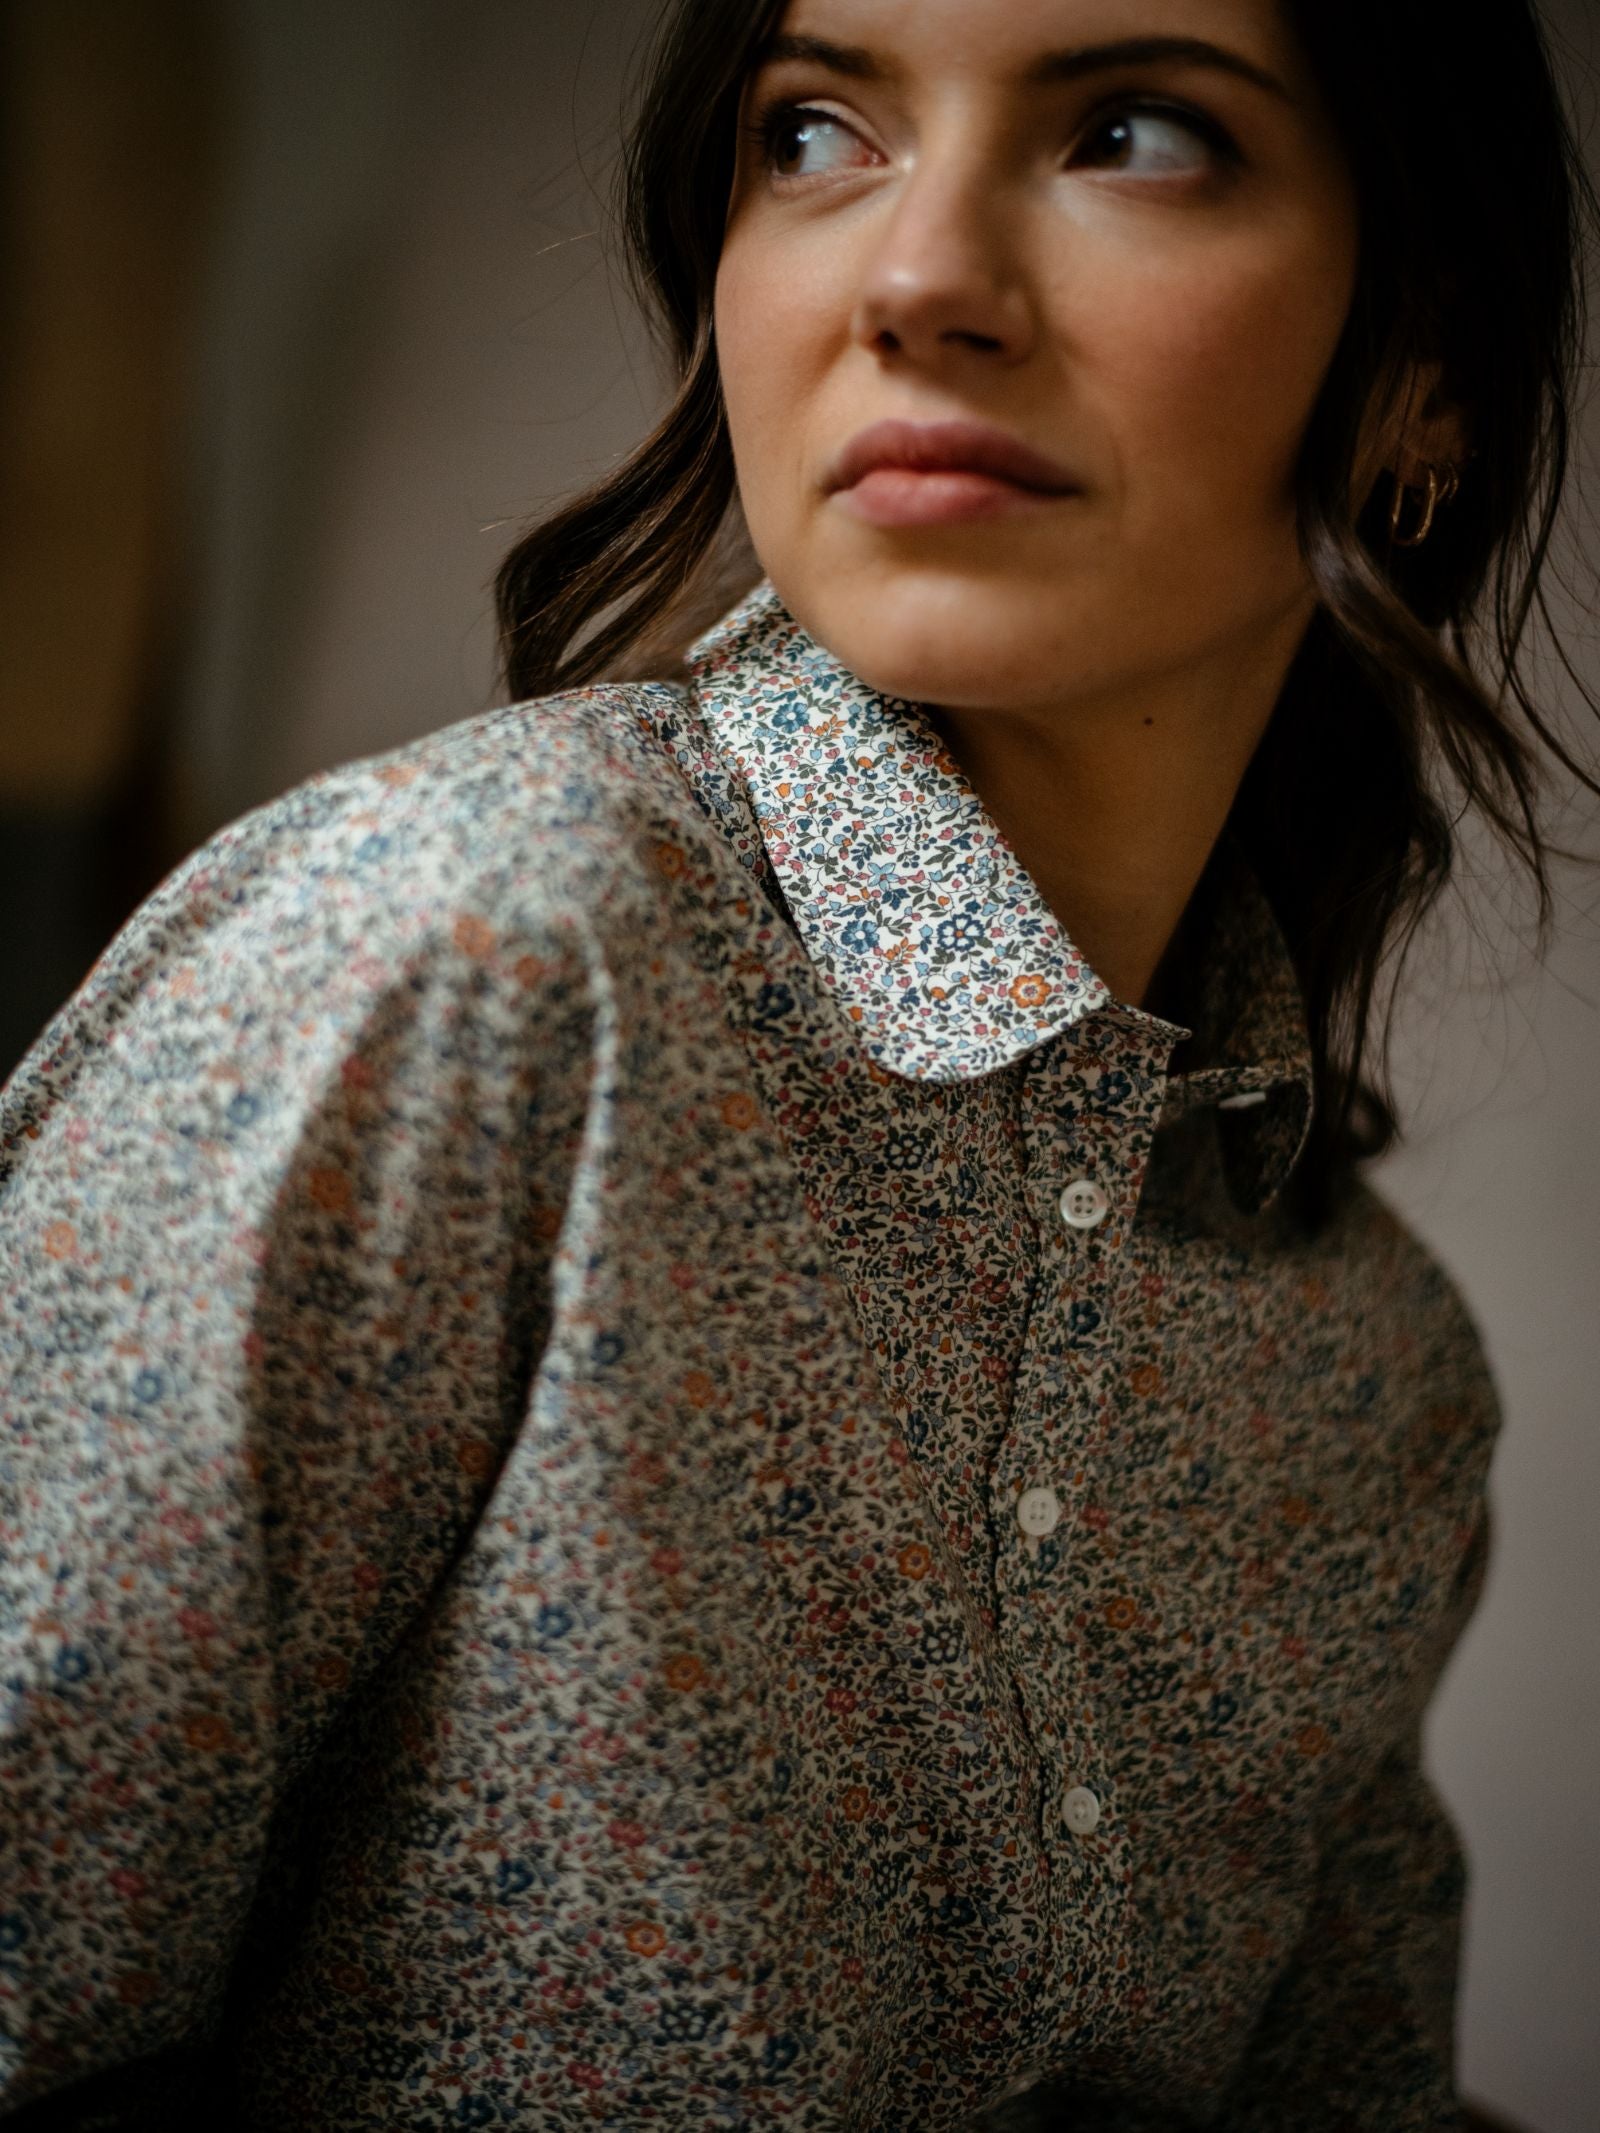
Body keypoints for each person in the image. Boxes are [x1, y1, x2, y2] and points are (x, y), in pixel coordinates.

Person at [1, 0, 1593, 2126]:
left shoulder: (1365, 1374)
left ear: (1426, 376)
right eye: (814, 130)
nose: (915, 275)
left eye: (1131, 132)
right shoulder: (470, 949)